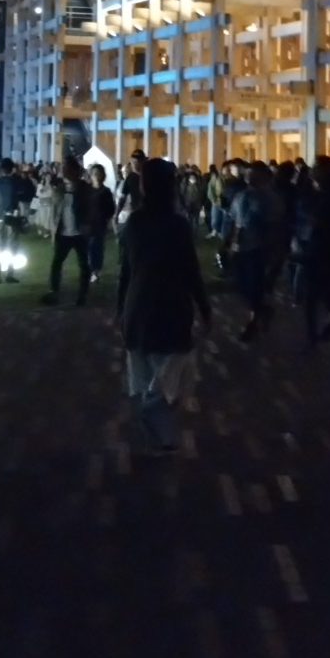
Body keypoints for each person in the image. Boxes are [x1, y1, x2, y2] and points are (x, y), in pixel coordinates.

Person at [117, 157, 212, 452]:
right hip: (169, 306)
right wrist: (204, 307)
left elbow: (126, 271)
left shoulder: (135, 223)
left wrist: (121, 309)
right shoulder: (177, 225)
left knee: (146, 374)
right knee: (169, 377)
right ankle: (159, 431)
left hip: (138, 305)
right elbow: (191, 270)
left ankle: (159, 435)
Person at [290, 157, 330, 346]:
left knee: (327, 294)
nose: (312, 170)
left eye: (317, 167)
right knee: (315, 294)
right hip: (314, 249)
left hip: (327, 250)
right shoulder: (312, 190)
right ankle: (314, 334)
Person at [229, 162, 277, 340]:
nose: (249, 178)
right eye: (248, 174)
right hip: (240, 247)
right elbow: (236, 222)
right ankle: (262, 310)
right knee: (241, 284)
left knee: (254, 285)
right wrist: (231, 242)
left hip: (257, 247)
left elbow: (273, 225)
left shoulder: (269, 198)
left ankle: (253, 321)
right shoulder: (241, 196)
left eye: (254, 175)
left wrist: (271, 249)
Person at [41, 160, 94, 307]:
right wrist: (53, 230)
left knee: (84, 264)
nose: (64, 172)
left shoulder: (84, 189)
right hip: (63, 233)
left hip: (80, 233)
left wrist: (88, 225)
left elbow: (91, 208)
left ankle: (83, 294)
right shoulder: (59, 189)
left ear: (75, 171)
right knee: (57, 262)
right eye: (63, 169)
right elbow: (55, 212)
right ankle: (54, 292)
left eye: (67, 169)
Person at [0, 157, 23, 282]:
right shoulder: (14, 182)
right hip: (11, 215)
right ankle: (9, 273)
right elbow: (17, 196)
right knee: (12, 245)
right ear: (11, 169)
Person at [86, 164, 116, 285]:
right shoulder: (87, 190)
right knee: (88, 248)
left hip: (100, 225)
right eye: (94, 174)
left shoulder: (106, 191)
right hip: (88, 224)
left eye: (99, 174)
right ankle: (89, 270)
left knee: (97, 247)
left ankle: (95, 271)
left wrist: (105, 218)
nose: (97, 176)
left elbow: (111, 208)